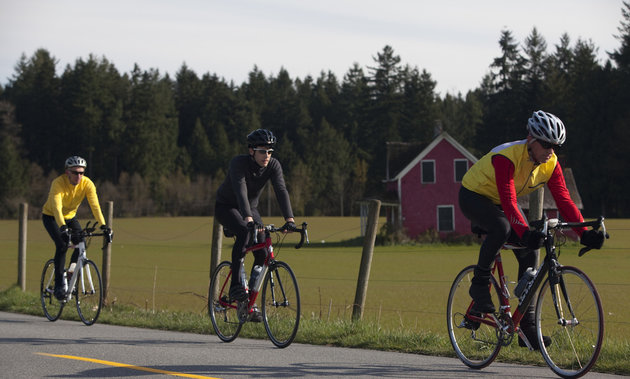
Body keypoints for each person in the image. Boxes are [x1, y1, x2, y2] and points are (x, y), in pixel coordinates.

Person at [459, 110, 605, 350]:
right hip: (474, 196)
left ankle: (525, 328)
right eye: (546, 144)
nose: (550, 151)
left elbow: (565, 201)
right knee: (501, 226)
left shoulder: (551, 163)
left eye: (555, 146)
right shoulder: (507, 157)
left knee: (530, 250)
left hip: (500, 201)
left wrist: (585, 233)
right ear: (531, 140)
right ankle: (479, 283)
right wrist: (525, 232)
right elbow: (508, 200)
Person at [214, 129, 296, 321]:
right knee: (244, 233)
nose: (266, 156)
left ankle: (249, 304)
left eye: (269, 151)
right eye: (262, 151)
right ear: (251, 151)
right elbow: (241, 191)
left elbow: (281, 190)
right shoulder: (238, 163)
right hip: (227, 207)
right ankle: (235, 286)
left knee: (263, 252)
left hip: (250, 209)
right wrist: (249, 220)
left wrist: (290, 220)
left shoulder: (273, 165)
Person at [42, 156, 111, 301]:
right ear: (67, 172)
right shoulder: (58, 183)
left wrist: (104, 226)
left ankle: (71, 272)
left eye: (81, 173)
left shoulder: (87, 184)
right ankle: (60, 283)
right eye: (75, 172)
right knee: (62, 244)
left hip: (70, 217)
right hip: (52, 217)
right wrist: (62, 228)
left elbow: (95, 206)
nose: (79, 176)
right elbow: (56, 208)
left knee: (82, 244)